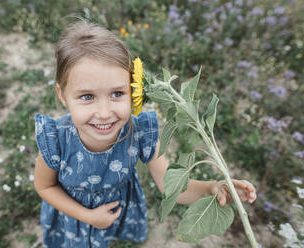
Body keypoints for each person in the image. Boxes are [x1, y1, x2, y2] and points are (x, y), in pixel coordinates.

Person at [33, 21, 257, 248]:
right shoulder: (56, 139)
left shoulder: (139, 133)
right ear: (62, 95)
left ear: (133, 88)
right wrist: (88, 216)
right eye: (87, 97)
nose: (103, 113)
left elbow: (171, 187)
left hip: (113, 211)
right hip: (71, 218)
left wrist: (212, 187)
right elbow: (45, 187)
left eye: (117, 93)